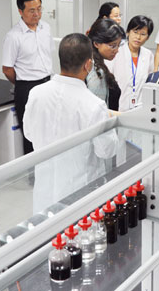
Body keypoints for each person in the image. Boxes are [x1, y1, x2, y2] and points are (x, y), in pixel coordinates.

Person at [23, 33, 117, 213]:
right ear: (88, 65)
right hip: (79, 192)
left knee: (47, 229)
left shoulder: (36, 93)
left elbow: (29, 133)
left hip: (45, 188)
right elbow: (106, 151)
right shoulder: (94, 105)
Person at [2, 0, 53, 155]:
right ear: (20, 11)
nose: (37, 14)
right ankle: (33, 170)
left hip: (48, 83)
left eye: (39, 9)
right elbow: (7, 69)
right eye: (31, 10)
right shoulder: (13, 36)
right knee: (31, 133)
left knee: (50, 128)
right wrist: (22, 83)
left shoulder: (46, 28)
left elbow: (48, 56)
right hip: (27, 88)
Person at [111, 15, 155, 111]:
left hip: (140, 106)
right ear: (128, 32)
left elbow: (149, 82)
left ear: (148, 37)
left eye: (143, 34)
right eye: (135, 32)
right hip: (118, 106)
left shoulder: (148, 55)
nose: (138, 37)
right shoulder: (116, 52)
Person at [86, 18, 126, 111]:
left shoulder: (95, 63)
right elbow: (97, 112)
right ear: (96, 43)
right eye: (113, 46)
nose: (117, 50)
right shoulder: (96, 73)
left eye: (119, 45)